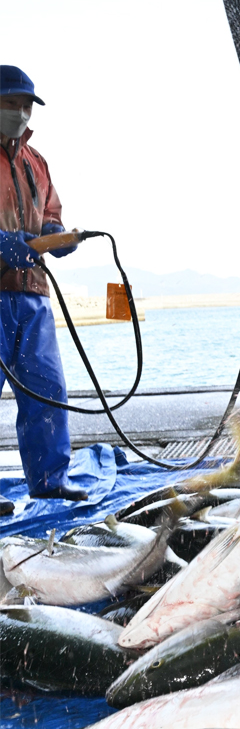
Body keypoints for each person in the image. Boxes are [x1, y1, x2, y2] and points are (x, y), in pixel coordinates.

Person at [0, 65, 87, 502]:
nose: (19, 112)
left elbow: (50, 215)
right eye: (10, 103)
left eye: (25, 105)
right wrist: (4, 244)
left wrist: (60, 236)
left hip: (32, 296)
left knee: (47, 391)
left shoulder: (37, 163)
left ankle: (51, 482)